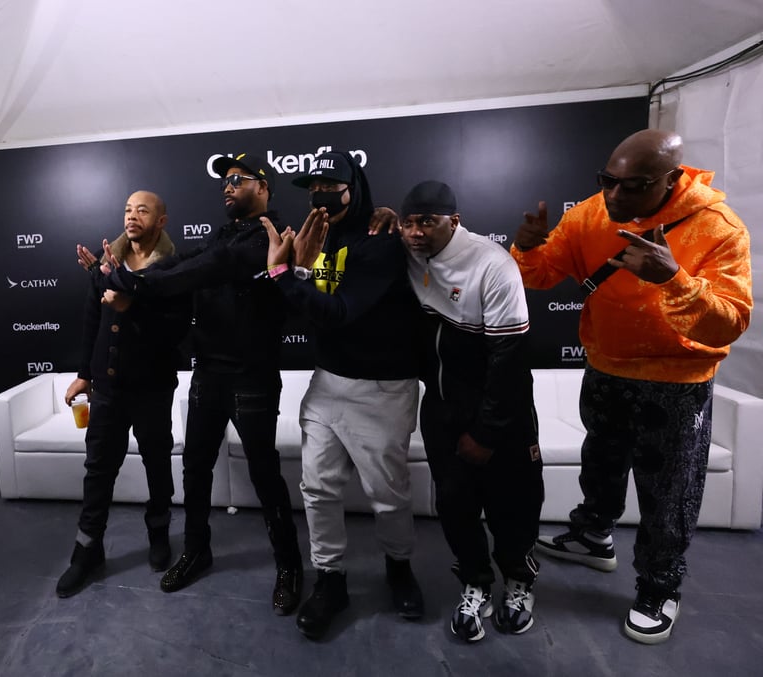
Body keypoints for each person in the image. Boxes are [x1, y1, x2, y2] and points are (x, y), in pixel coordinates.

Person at [511, 129, 752, 644]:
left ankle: (660, 586)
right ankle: (594, 534)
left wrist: (673, 279)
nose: (616, 196)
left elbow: (729, 322)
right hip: (607, 368)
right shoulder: (592, 214)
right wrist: (528, 249)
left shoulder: (718, 228)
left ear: (671, 179)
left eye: (634, 185)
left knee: (668, 492)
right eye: (608, 181)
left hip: (676, 383)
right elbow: (543, 275)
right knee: (601, 460)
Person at [100, 154, 304, 616]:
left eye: (238, 181)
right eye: (224, 182)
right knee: (195, 468)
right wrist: (128, 276)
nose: (228, 188)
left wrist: (132, 283)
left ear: (264, 188)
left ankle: (289, 567)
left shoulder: (272, 236)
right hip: (208, 372)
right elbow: (184, 261)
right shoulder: (222, 234)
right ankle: (196, 550)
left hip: (252, 375)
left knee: (265, 475)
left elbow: (206, 269)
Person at [262, 151, 424, 640]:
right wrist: (294, 270)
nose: (321, 196)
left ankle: (399, 567)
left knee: (387, 495)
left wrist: (285, 274)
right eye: (313, 188)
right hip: (327, 383)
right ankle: (330, 578)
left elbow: (339, 311)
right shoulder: (316, 237)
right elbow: (294, 309)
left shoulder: (382, 242)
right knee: (317, 488)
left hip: (382, 389)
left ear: (356, 187)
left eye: (332, 186)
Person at [398, 180, 543, 642]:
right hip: (442, 409)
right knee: (455, 506)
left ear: (454, 221)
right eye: (409, 223)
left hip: (503, 413)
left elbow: (510, 361)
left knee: (512, 506)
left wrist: (487, 432)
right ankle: (476, 583)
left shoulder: (492, 264)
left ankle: (518, 582)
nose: (416, 232)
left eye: (428, 222)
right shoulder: (408, 252)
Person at [54, 190, 191, 598]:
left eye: (142, 210)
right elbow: (93, 318)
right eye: (128, 210)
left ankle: (159, 536)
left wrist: (133, 306)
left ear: (161, 221)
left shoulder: (175, 269)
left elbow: (176, 333)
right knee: (98, 469)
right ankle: (87, 550)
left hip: (152, 387)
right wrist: (84, 374)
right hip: (107, 388)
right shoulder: (105, 266)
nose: (132, 217)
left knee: (156, 464)